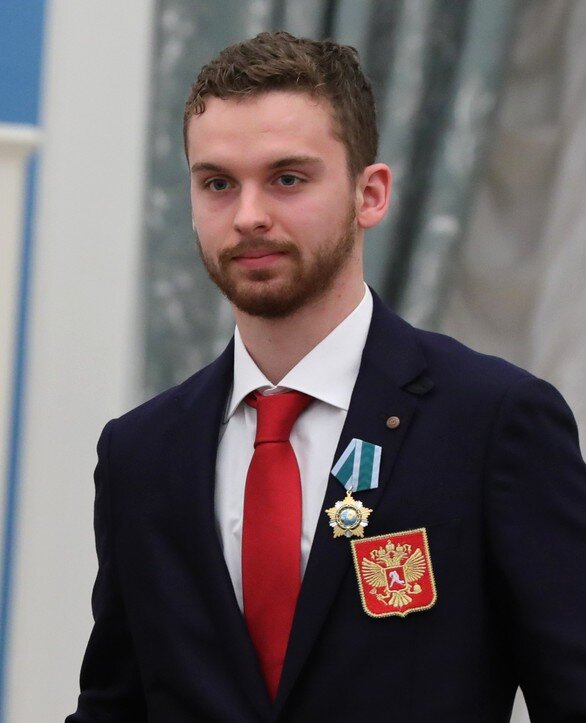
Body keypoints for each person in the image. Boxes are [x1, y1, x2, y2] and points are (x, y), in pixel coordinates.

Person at [67, 31, 586, 722]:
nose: (248, 216)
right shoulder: (139, 452)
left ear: (370, 194)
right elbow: (113, 707)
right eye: (218, 183)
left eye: (287, 178)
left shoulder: (495, 422)